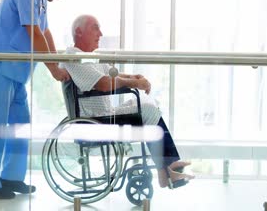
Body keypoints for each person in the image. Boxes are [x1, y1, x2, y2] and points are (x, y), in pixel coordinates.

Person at [61, 14, 195, 189]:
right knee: (146, 109)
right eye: (95, 28)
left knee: (148, 104)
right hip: (94, 121)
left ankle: (167, 168)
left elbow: (111, 74)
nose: (100, 34)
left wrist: (134, 77)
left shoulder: (88, 56)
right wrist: (134, 83)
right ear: (78, 32)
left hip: (104, 116)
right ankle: (167, 168)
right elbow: (103, 83)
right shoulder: (74, 56)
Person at [0, 0, 72, 199]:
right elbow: (34, 33)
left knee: (21, 125)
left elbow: (46, 32)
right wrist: (52, 69)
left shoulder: (40, 0)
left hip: (17, 71)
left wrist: (57, 64)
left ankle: (10, 177)